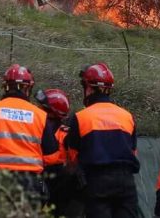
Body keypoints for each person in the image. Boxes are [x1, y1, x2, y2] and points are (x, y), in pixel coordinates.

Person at [0, 64, 59, 196]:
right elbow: (52, 157)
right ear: (28, 88)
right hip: (29, 184)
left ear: (5, 87)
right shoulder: (40, 115)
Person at [66, 62, 140, 218]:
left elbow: (73, 157)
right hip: (126, 181)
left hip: (97, 182)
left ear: (89, 88)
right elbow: (133, 152)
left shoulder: (81, 117)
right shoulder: (127, 116)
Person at [34, 88, 83, 217]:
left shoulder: (66, 135)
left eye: (41, 107)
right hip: (39, 182)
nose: (36, 108)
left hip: (62, 188)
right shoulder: (35, 129)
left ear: (51, 113)